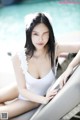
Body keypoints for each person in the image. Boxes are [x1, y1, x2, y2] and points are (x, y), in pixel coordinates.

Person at [0, 12, 80, 119]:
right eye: (36, 34)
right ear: (29, 33)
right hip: (21, 88)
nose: (40, 39)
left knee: (1, 115)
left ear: (49, 33)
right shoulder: (18, 57)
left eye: (45, 33)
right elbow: (22, 89)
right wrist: (45, 99)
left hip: (32, 100)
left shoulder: (55, 49)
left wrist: (70, 67)